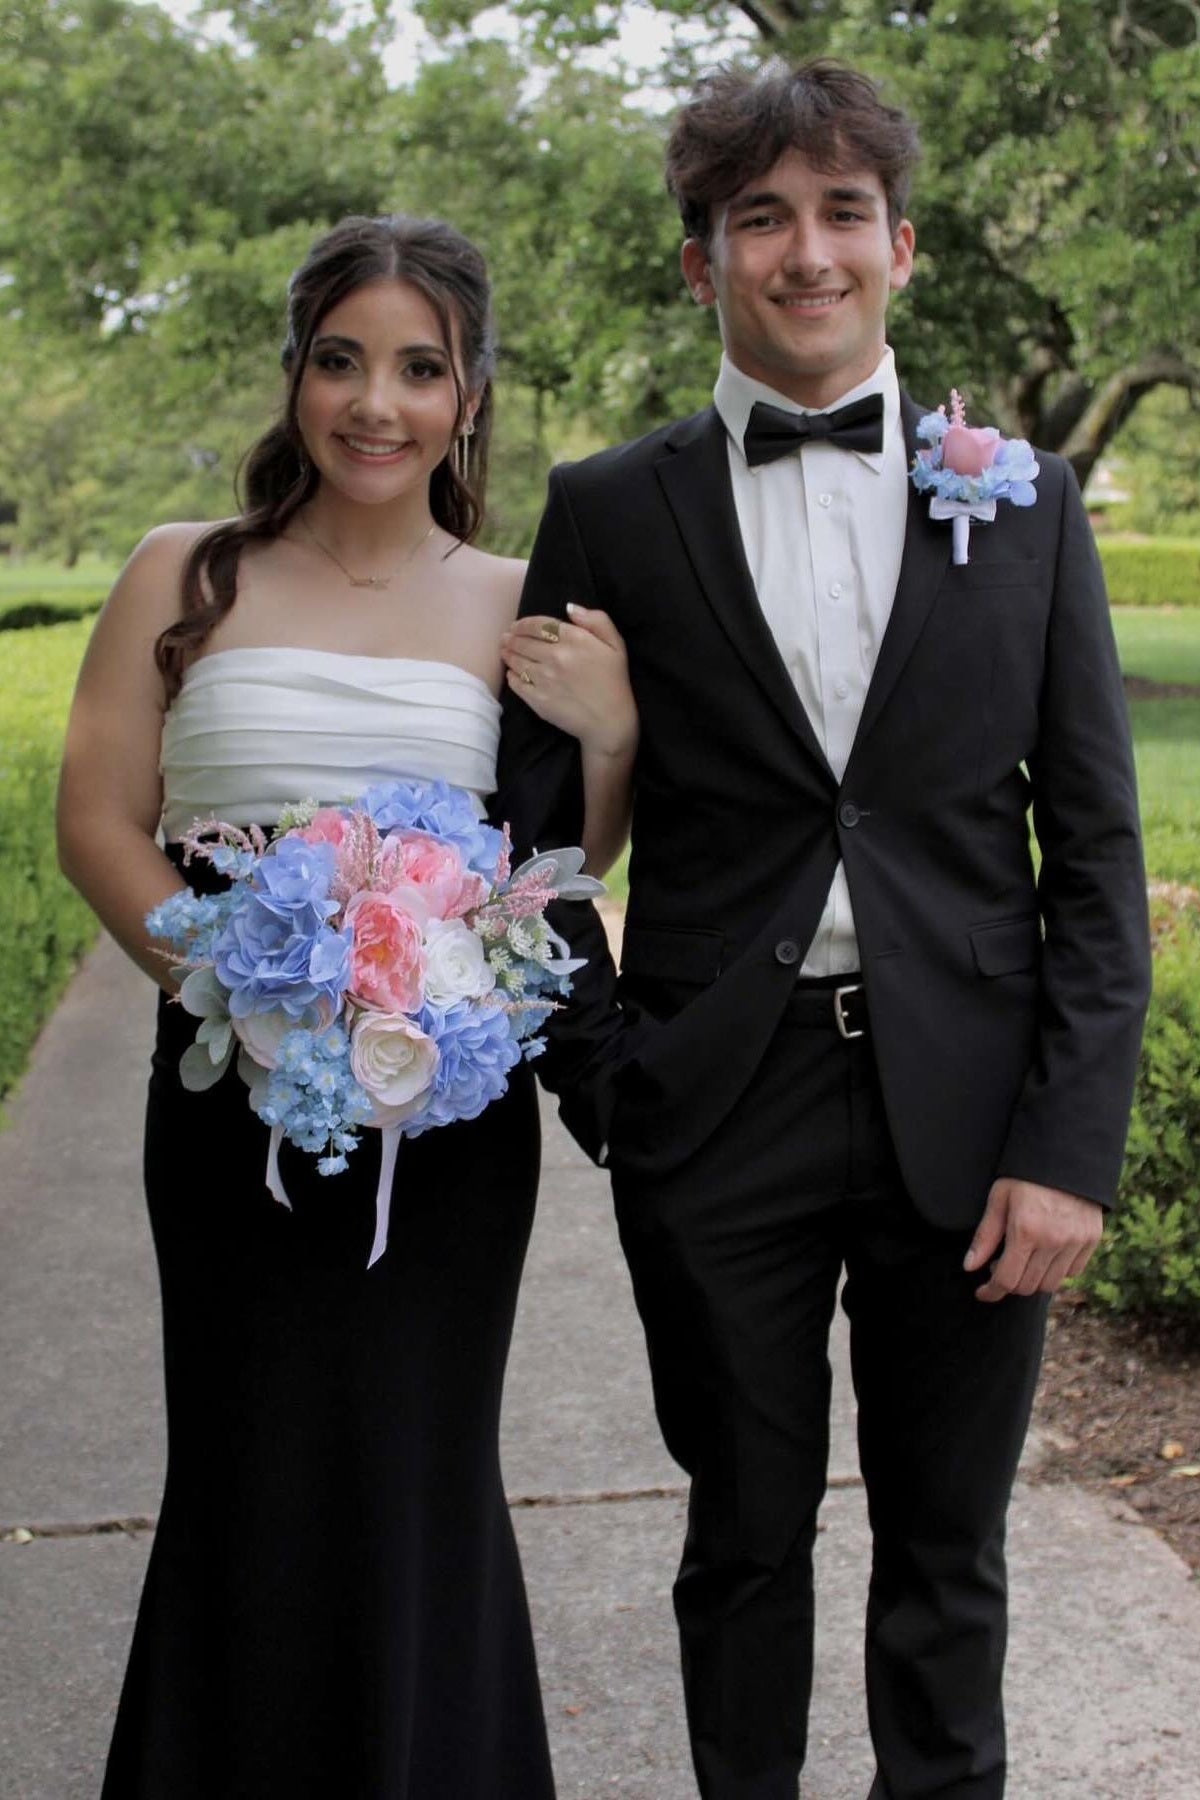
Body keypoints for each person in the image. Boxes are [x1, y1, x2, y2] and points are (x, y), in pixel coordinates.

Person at [498, 59, 1152, 1800]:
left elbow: (1092, 849)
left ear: (904, 246)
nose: (806, 252)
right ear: (702, 261)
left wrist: (1071, 1145)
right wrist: (607, 1080)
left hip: (976, 1107)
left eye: (840, 213)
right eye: (759, 218)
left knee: (952, 1562)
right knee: (744, 1544)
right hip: (716, 1107)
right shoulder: (610, 508)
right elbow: (531, 850)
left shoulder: (1024, 502)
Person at [56, 212, 636, 1800]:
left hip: (448, 1123)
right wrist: (237, 992)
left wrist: (609, 739)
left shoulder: (522, 601)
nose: (374, 404)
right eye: (341, 361)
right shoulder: (181, 569)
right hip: (225, 1101)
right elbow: (98, 818)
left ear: (469, 397)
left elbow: (559, 874)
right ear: (298, 374)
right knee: (246, 1467)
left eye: (419, 369)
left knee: (419, 1474)